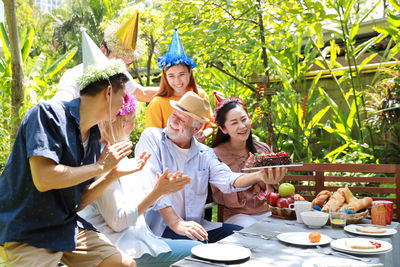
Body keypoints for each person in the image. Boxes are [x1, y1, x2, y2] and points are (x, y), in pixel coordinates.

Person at [0, 29, 142, 267]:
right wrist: (99, 166)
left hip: (66, 227)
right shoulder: (47, 114)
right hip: (27, 230)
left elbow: (79, 201)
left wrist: (110, 174)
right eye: (123, 98)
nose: (123, 107)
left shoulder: (94, 137)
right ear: (108, 93)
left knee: (123, 264)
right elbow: (44, 179)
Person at [135, 91, 287, 243]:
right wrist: (177, 223)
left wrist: (258, 176)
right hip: (160, 229)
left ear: (196, 129)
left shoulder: (204, 153)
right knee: (202, 246)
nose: (174, 121)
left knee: (245, 236)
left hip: (196, 227)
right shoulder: (152, 137)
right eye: (174, 114)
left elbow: (227, 180)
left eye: (182, 119)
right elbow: (150, 184)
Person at [79, 93, 201, 267]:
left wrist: (160, 191)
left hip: (138, 238)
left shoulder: (113, 151)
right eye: (132, 121)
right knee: (197, 251)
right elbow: (118, 222)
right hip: (120, 246)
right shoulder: (105, 157)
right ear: (118, 122)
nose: (134, 126)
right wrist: (159, 192)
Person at [52, 11, 158, 103]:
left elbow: (142, 93)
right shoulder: (76, 74)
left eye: (128, 64)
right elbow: (61, 99)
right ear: (103, 50)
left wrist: (173, 89)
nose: (123, 68)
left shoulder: (121, 76)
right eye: (119, 61)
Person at [211, 92, 276, 227]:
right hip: (237, 215)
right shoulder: (215, 155)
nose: (242, 126)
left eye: (244, 119)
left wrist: (262, 178)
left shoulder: (262, 149)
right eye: (234, 123)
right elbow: (223, 198)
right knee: (254, 229)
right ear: (223, 128)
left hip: (266, 211)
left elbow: (273, 191)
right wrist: (248, 177)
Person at [145, 28, 215, 143]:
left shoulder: (200, 95)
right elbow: (153, 140)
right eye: (171, 76)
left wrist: (203, 135)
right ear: (165, 76)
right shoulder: (157, 104)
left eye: (181, 74)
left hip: (200, 156)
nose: (177, 80)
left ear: (189, 73)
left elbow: (210, 125)